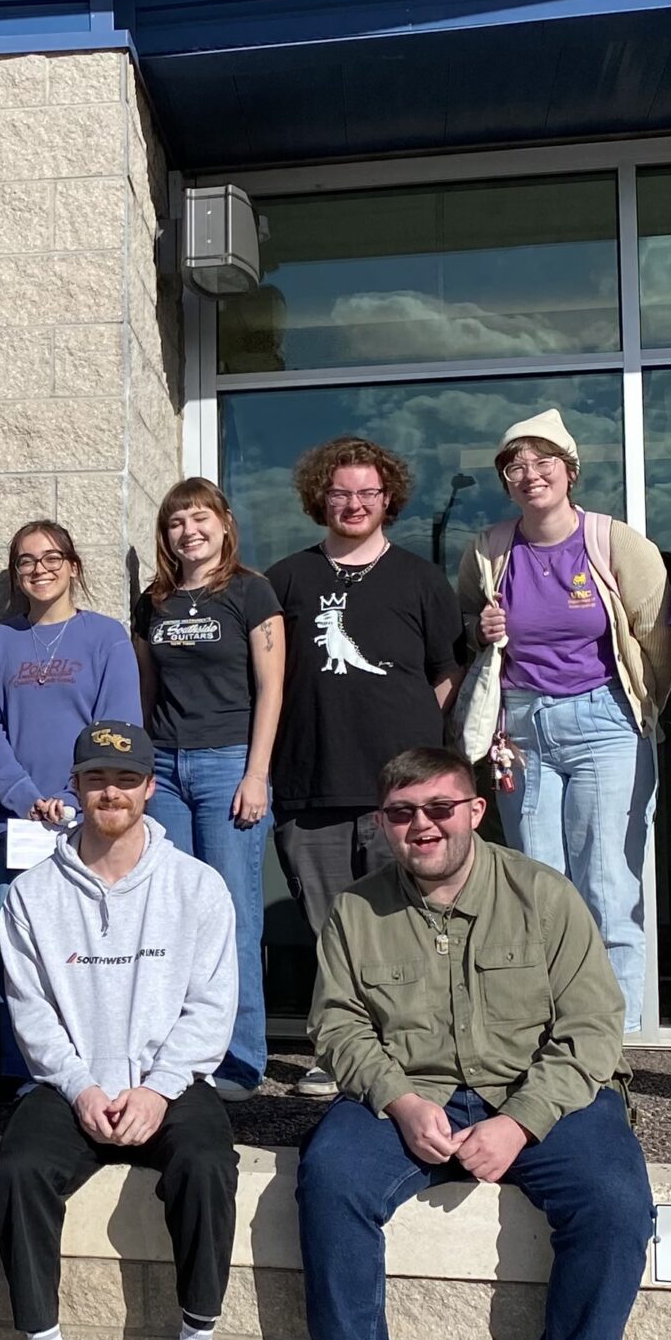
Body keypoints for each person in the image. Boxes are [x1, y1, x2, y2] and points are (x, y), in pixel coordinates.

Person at [293, 747, 650, 1340]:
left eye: (439, 809)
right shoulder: (357, 912)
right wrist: (397, 1100)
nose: (421, 826)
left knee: (617, 1206)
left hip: (540, 1093)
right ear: (384, 823)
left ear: (475, 812)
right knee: (330, 1179)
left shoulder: (544, 897)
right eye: (401, 813)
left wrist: (522, 1122)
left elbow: (592, 1029)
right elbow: (337, 1023)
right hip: (414, 1093)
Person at [0, 722, 238, 1340]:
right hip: (74, 1082)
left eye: (125, 780)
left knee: (205, 1166)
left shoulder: (197, 885)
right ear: (77, 787)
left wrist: (159, 1090)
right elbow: (29, 1008)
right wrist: (81, 1085)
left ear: (149, 787)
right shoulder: (32, 895)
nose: (111, 792)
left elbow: (212, 1006)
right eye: (96, 779)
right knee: (18, 1174)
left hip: (171, 1079)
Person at [455, 411, 671, 1032]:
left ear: (570, 471)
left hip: (605, 720)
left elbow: (657, 636)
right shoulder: (490, 548)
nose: (530, 475)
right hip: (521, 730)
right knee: (536, 885)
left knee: (607, 881)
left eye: (542, 461)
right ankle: (545, 1030)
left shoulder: (613, 541)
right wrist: (482, 631)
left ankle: (614, 1041)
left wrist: (643, 708)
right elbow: (472, 628)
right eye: (515, 466)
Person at [265, 438, 459, 1095]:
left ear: (388, 499)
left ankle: (410, 1054)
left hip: (398, 793)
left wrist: (417, 749)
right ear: (321, 498)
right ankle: (339, 1053)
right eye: (341, 493)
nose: (353, 504)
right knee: (331, 933)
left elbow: (447, 671)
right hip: (309, 782)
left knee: (403, 926)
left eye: (367, 493)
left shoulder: (421, 580)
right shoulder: (286, 580)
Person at [135, 477, 284, 1100]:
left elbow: (272, 688)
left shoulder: (251, 592)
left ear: (224, 524)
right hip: (165, 767)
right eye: (176, 523)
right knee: (171, 915)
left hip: (228, 765)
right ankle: (180, 1055)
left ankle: (242, 1059)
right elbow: (144, 693)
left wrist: (256, 774)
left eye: (199, 519)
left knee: (232, 916)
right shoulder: (154, 602)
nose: (188, 531)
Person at [0, 519, 139, 1079]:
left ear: (73, 565)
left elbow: (118, 727)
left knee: (84, 955)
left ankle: (89, 1074)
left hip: (88, 821)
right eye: (26, 560)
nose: (39, 568)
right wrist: (23, 796)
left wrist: (73, 796)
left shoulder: (106, 636)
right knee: (18, 957)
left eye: (51, 557)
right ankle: (22, 1077)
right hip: (16, 827)